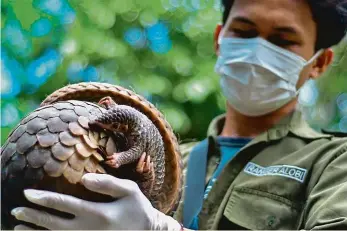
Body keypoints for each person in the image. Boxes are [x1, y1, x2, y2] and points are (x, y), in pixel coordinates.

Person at [10, 0, 347, 230]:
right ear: (219, 40)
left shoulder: (333, 163)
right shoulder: (176, 163)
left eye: (282, 40)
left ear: (319, 62)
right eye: (243, 33)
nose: (258, 50)